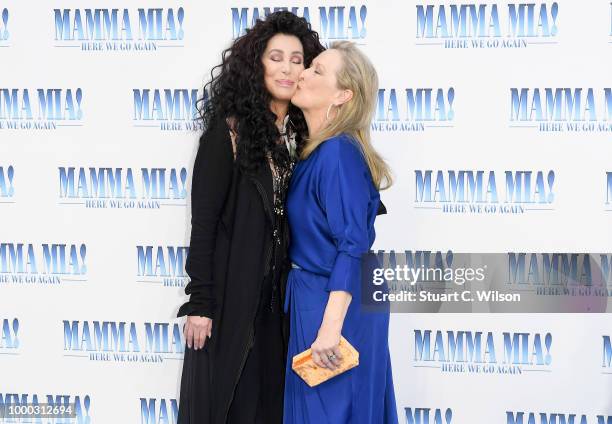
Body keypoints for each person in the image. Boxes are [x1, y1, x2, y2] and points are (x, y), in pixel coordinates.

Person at [176, 11, 324, 424]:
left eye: (298, 60)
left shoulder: (303, 139)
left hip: (282, 306)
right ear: (256, 63)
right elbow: (203, 224)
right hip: (230, 301)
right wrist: (201, 303)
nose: (287, 68)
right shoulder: (228, 133)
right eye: (276, 57)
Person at [283, 41, 399, 423]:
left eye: (317, 71)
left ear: (343, 95)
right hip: (319, 298)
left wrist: (330, 329)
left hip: (335, 307)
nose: (302, 73)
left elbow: (354, 246)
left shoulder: (338, 153)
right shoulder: (319, 151)